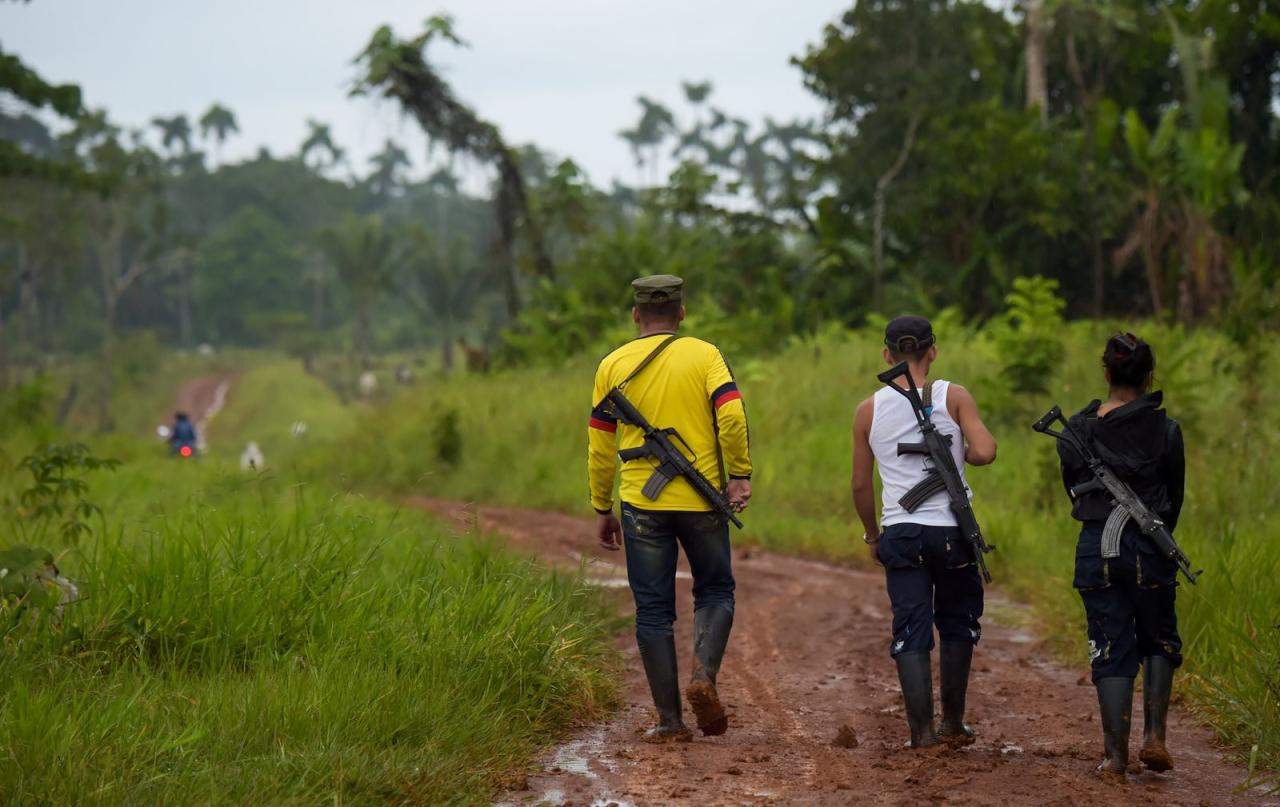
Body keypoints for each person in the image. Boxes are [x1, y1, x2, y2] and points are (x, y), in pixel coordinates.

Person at [588, 274, 753, 742]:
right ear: (681, 313)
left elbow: (600, 446)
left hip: (642, 503)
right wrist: (738, 473)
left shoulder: (611, 365)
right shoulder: (705, 354)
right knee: (716, 590)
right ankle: (704, 676)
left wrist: (603, 506)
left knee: (653, 611)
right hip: (702, 501)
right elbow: (733, 414)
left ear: (636, 315)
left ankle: (670, 720)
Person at [851, 315, 998, 748]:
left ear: (887, 355)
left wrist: (871, 536)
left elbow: (861, 485)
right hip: (953, 531)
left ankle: (922, 733)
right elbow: (986, 451)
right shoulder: (953, 395)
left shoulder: (868, 409)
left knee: (910, 626)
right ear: (932, 351)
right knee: (956, 623)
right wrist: (960, 452)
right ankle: (953, 721)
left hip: (901, 530)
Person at [1055, 333, 1184, 775]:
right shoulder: (1167, 430)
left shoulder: (1075, 430)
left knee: (1108, 643)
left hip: (1098, 550)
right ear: (1150, 377)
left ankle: (1115, 755)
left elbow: (1073, 492)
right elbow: (1175, 498)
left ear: (1106, 373)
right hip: (1152, 547)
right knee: (1159, 637)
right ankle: (1155, 736)